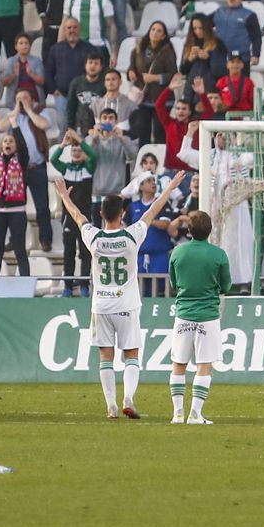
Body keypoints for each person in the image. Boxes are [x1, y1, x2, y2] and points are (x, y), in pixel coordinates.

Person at [53, 171, 182, 419]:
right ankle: (129, 398)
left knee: (106, 356)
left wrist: (64, 197)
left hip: (101, 305)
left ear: (101, 214)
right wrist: (170, 188)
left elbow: (78, 217)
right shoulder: (132, 235)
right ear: (122, 215)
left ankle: (111, 405)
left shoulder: (94, 237)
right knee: (131, 354)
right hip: (127, 304)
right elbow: (152, 211)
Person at [167, 209, 234, 424]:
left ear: (189, 230)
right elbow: (226, 286)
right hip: (208, 315)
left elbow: (173, 283)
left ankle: (178, 413)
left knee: (179, 363)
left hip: (184, 313)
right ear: (210, 231)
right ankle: (195, 413)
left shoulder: (178, 252)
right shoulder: (219, 254)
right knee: (204, 365)